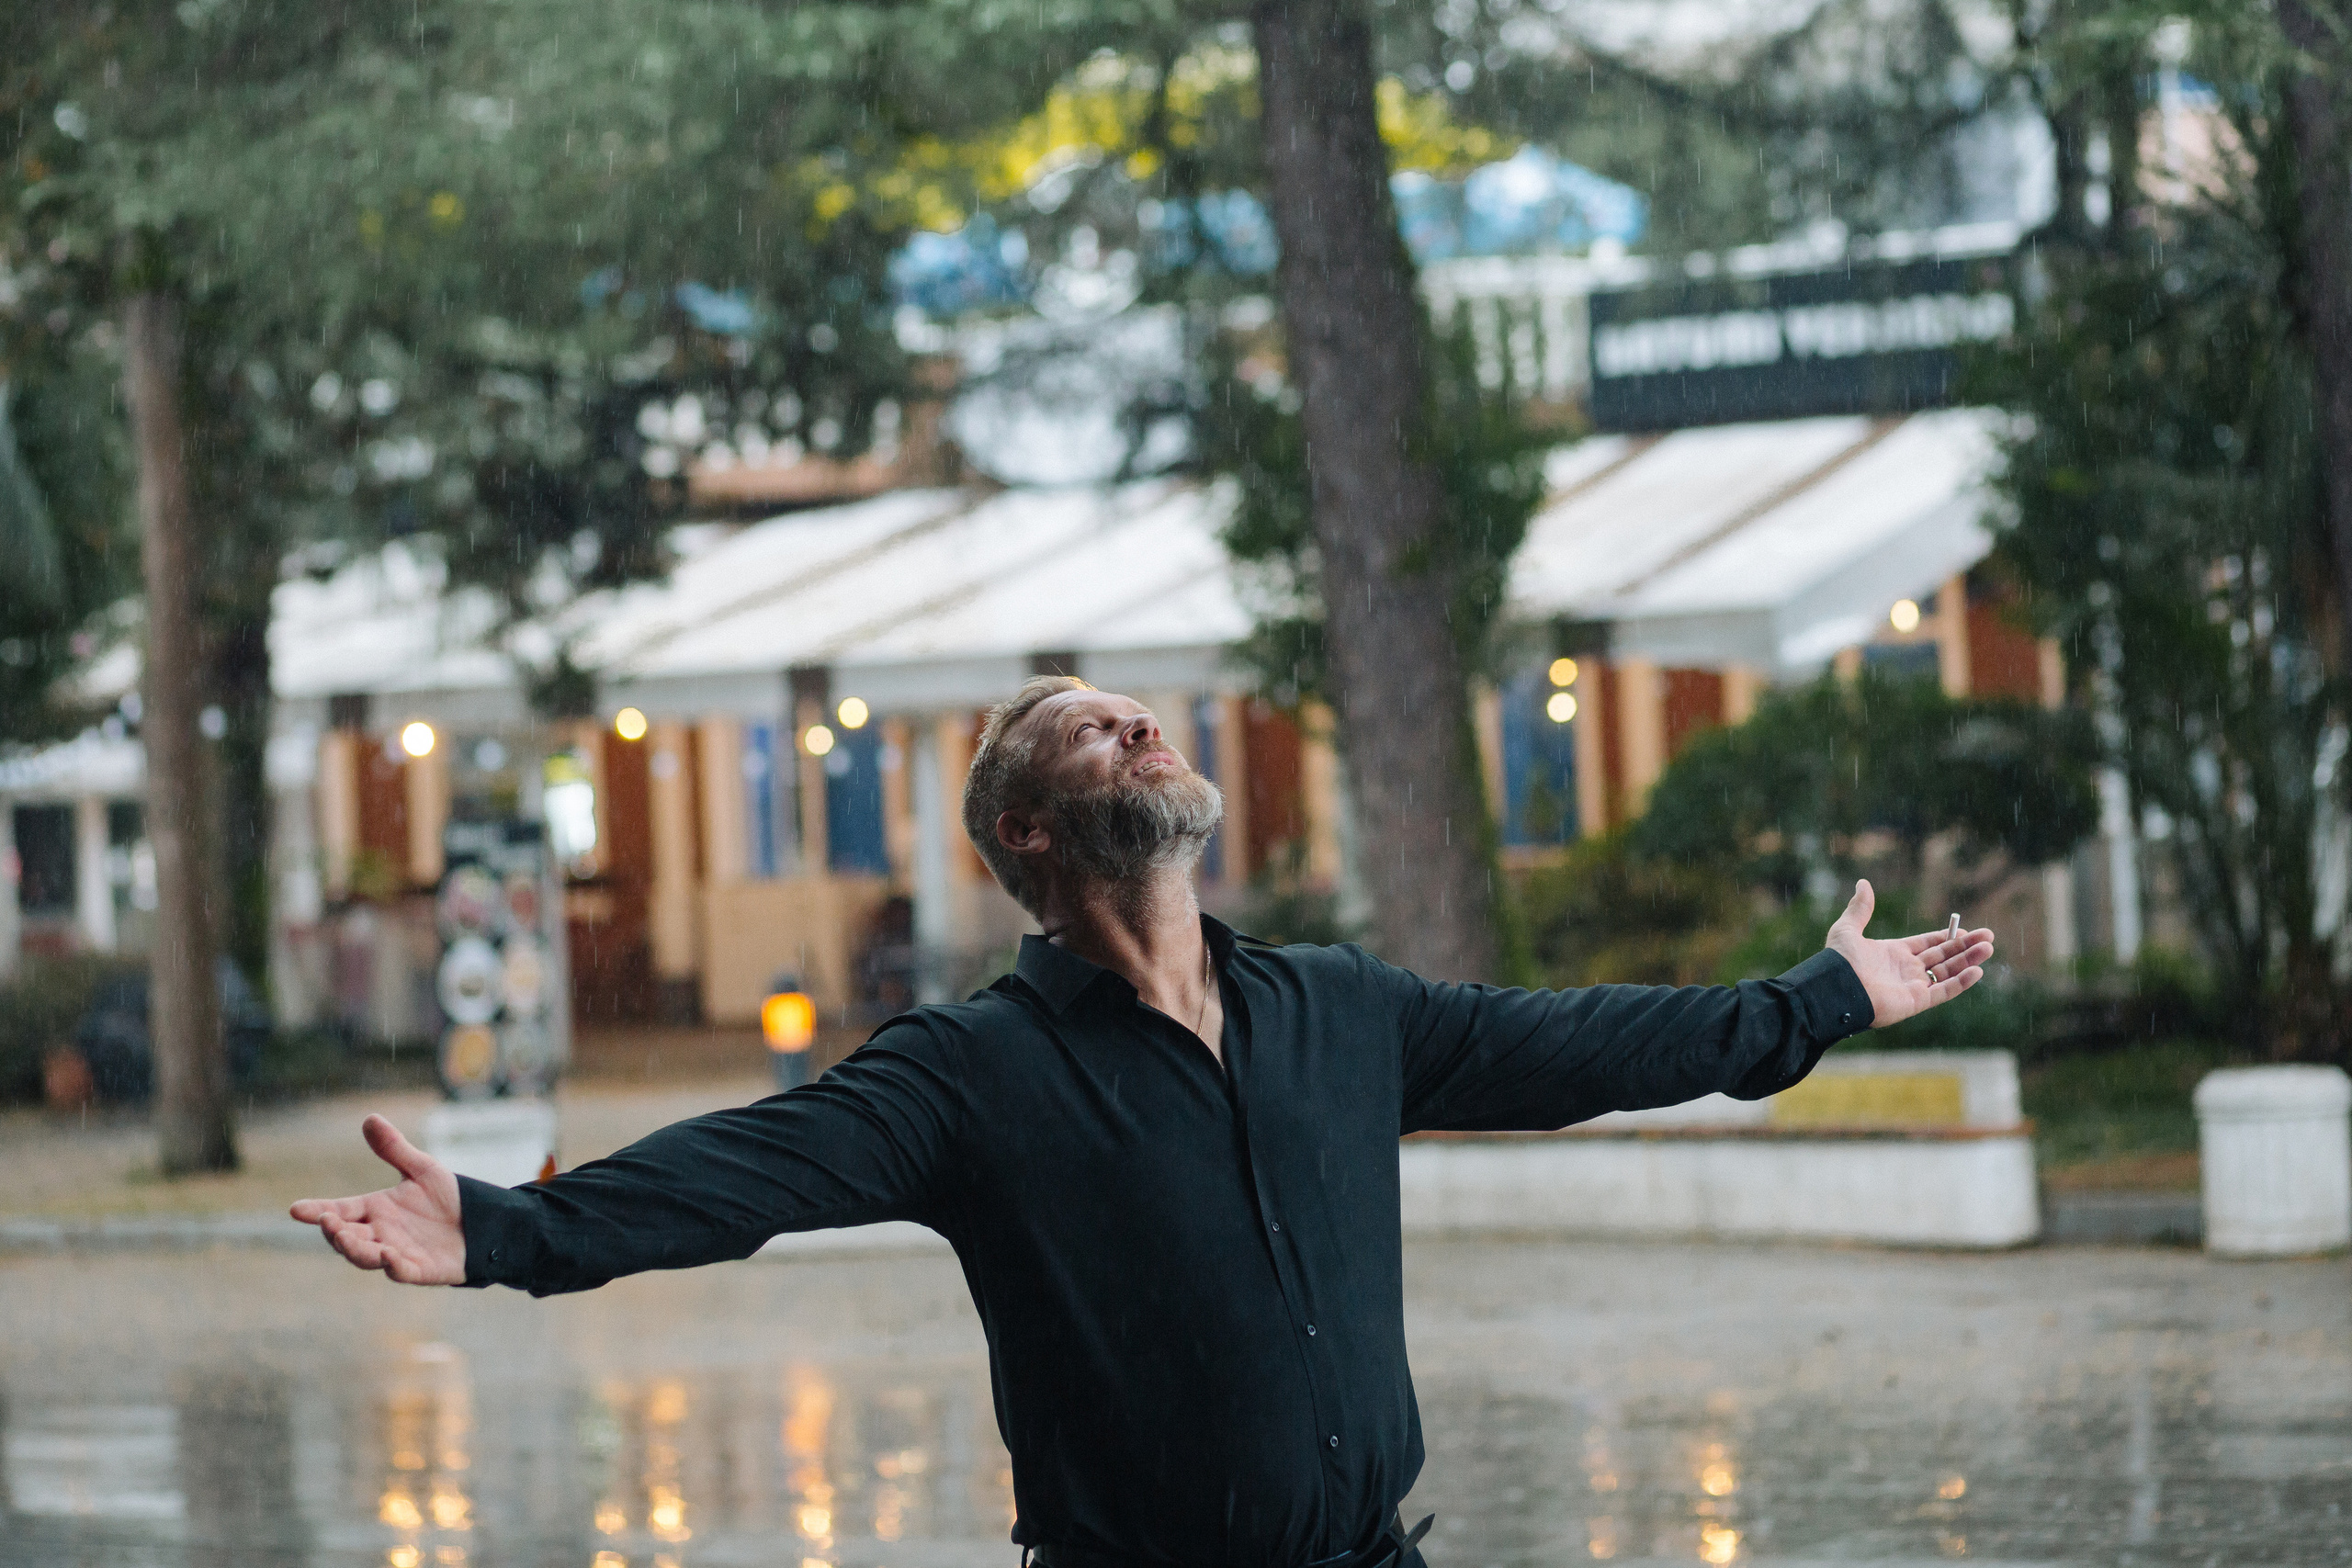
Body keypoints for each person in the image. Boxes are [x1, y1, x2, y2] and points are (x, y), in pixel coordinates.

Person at [293, 676, 1996, 1568]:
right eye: (1080, 728)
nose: (1134, 722)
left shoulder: (1339, 1009)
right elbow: (750, 1169)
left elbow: (1576, 1045)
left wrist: (1820, 1002)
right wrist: (506, 1228)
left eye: (1136, 710)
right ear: (1027, 834)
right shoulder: (971, 1073)